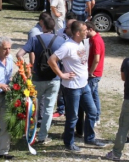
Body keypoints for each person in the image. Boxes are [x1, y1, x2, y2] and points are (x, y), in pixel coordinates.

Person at [48, 21, 105, 151]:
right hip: (72, 87)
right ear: (78, 33)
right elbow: (51, 60)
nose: (87, 31)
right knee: (73, 116)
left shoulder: (81, 43)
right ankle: (68, 142)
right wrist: (62, 75)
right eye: (85, 30)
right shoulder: (67, 46)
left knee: (92, 111)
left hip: (84, 86)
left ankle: (89, 138)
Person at [16, 16, 65, 144]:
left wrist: (26, 69)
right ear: (54, 27)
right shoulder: (60, 41)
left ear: (42, 26)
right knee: (49, 108)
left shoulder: (35, 39)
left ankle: (30, 133)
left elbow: (19, 54)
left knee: (33, 107)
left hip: (37, 78)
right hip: (54, 78)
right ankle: (43, 136)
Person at [75, 22, 106, 136]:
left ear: (90, 29)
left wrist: (90, 72)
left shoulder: (96, 40)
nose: (84, 33)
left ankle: (93, 119)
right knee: (94, 95)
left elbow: (97, 59)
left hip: (94, 74)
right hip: (95, 73)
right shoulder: (93, 39)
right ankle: (96, 116)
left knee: (89, 98)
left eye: (85, 30)